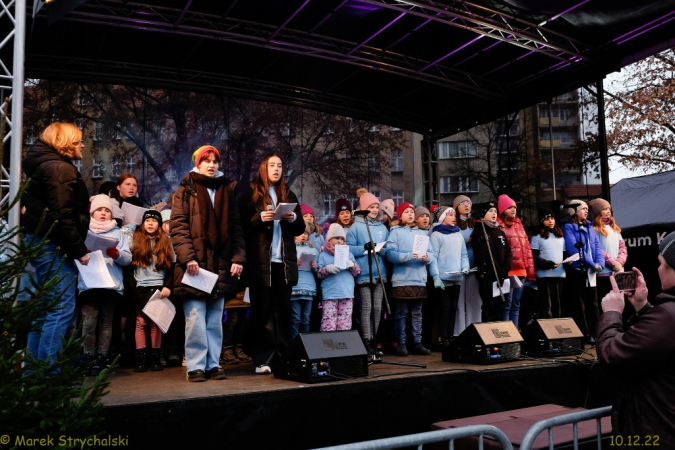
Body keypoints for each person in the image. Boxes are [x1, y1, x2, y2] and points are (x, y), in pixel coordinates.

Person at [171, 145, 245, 382]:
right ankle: (195, 366)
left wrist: (237, 259)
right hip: (195, 264)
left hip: (220, 263)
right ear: (198, 163)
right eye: (207, 161)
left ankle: (213, 364)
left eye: (215, 161)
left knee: (214, 320)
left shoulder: (227, 190)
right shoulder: (185, 190)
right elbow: (178, 227)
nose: (212, 165)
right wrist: (188, 258)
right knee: (194, 317)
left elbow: (236, 228)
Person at [596, 231, 675, 447]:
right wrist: (642, 307)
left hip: (656, 435)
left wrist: (611, 313)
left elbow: (612, 354)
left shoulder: (668, 316)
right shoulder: (666, 317)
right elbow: (660, 342)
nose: (658, 269)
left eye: (662, 263)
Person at [21, 122, 91, 365]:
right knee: (60, 308)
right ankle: (47, 378)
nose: (83, 144)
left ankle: (34, 379)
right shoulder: (59, 169)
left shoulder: (46, 167)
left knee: (43, 311)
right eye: (79, 140)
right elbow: (62, 214)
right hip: (52, 245)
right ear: (66, 142)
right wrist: (79, 250)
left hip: (42, 242)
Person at [239, 153, 304, 375]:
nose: (276, 169)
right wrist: (259, 219)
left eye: (280, 166)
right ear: (263, 169)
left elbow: (300, 227)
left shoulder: (288, 194)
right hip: (261, 264)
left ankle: (282, 357)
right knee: (262, 312)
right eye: (272, 165)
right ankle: (263, 359)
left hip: (282, 263)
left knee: (284, 312)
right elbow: (241, 227)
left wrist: (293, 219)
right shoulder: (251, 193)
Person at [79, 194, 132, 375]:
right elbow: (73, 257)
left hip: (111, 285)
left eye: (107, 210)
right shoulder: (84, 232)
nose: (103, 213)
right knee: (88, 322)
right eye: (99, 210)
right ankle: (88, 356)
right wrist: (82, 253)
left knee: (106, 323)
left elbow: (128, 259)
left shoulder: (119, 233)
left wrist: (117, 254)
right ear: (92, 213)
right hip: (89, 284)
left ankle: (102, 357)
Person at [386, 202, 434, 356]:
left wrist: (427, 257)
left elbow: (432, 253)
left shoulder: (422, 233)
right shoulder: (395, 232)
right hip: (402, 279)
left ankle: (417, 343)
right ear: (400, 215)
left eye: (412, 212)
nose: (410, 214)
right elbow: (390, 254)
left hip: (419, 279)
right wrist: (407, 256)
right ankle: (401, 343)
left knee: (417, 313)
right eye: (406, 212)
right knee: (401, 313)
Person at [346, 188, 389, 356]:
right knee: (367, 307)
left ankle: (374, 337)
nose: (375, 210)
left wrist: (383, 249)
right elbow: (348, 248)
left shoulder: (382, 227)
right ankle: (366, 340)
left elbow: (388, 247)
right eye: (371, 207)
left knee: (378, 308)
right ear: (364, 208)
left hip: (380, 272)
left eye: (376, 207)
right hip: (364, 272)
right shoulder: (356, 227)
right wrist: (364, 248)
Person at [130, 210, 174, 372]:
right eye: (147, 220)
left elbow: (172, 269)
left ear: (159, 224)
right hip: (140, 288)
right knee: (140, 323)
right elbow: (130, 269)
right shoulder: (135, 241)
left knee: (156, 324)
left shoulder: (167, 242)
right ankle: (140, 360)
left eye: (154, 221)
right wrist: (133, 290)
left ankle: (155, 359)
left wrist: (168, 287)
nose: (150, 223)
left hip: (159, 289)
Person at [562, 200, 604, 341]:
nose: (586, 211)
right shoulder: (568, 227)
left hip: (591, 271)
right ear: (574, 211)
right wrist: (591, 263)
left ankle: (597, 332)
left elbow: (597, 247)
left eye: (587, 209)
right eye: (583, 209)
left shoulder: (590, 228)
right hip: (579, 270)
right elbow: (574, 248)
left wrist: (600, 263)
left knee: (593, 303)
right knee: (581, 304)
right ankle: (585, 333)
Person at [430, 207, 469, 348]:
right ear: (442, 218)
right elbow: (433, 257)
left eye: (454, 215)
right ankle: (443, 338)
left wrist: (465, 267)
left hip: (456, 277)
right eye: (450, 215)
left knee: (453, 308)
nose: (454, 217)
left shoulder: (458, 234)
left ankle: (451, 337)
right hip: (443, 279)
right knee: (445, 308)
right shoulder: (436, 235)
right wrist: (435, 276)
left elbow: (464, 254)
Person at [497, 194, 535, 328]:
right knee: (506, 304)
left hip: (521, 270)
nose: (513, 209)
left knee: (516, 303)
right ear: (502, 209)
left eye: (514, 207)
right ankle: (507, 333)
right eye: (509, 207)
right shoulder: (498, 226)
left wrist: (530, 271)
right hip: (508, 271)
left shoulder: (519, 224)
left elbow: (527, 249)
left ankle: (515, 332)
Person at [471, 203, 512, 322]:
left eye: (495, 211)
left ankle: (500, 334)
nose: (494, 213)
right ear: (483, 214)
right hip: (488, 275)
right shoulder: (479, 231)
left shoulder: (500, 232)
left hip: (502, 275)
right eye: (490, 211)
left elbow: (508, 252)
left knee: (500, 306)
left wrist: (505, 269)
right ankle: (489, 335)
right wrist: (498, 271)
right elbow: (484, 254)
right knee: (489, 307)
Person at [317, 224, 361, 332]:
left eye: (342, 239)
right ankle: (329, 345)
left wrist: (352, 265)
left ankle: (343, 345)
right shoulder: (323, 255)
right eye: (337, 238)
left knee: (345, 321)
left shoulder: (349, 254)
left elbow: (357, 272)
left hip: (346, 292)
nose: (340, 241)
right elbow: (318, 274)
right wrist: (327, 268)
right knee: (329, 321)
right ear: (329, 239)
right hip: (330, 293)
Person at [530, 209, 566, 319]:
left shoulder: (560, 235)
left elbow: (563, 254)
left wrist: (568, 260)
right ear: (541, 221)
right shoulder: (537, 236)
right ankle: (548, 331)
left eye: (552, 218)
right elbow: (534, 257)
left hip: (559, 274)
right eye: (547, 219)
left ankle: (558, 328)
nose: (550, 221)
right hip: (544, 275)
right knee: (546, 305)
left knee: (558, 304)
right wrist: (548, 264)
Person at [453, 195, 481, 335]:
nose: (466, 205)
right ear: (456, 207)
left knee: (474, 301)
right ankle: (459, 333)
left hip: (474, 266)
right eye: (462, 203)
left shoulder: (475, 223)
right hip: (459, 267)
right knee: (459, 303)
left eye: (468, 203)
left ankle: (475, 331)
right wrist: (465, 240)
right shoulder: (454, 224)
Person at [589, 198, 627, 300]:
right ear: (597, 212)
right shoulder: (594, 229)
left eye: (608, 208)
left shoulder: (615, 229)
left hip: (618, 272)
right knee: (607, 301)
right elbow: (597, 250)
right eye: (604, 209)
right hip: (604, 274)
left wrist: (619, 262)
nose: (608, 211)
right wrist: (613, 264)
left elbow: (623, 248)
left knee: (620, 301)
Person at [291, 223, 318, 339]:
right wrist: (294, 265)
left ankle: (306, 345)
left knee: (306, 319)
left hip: (309, 287)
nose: (303, 235)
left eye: (306, 233)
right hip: (295, 287)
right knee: (295, 318)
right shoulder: (290, 248)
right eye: (300, 233)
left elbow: (317, 271)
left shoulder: (312, 249)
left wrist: (314, 266)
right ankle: (293, 346)